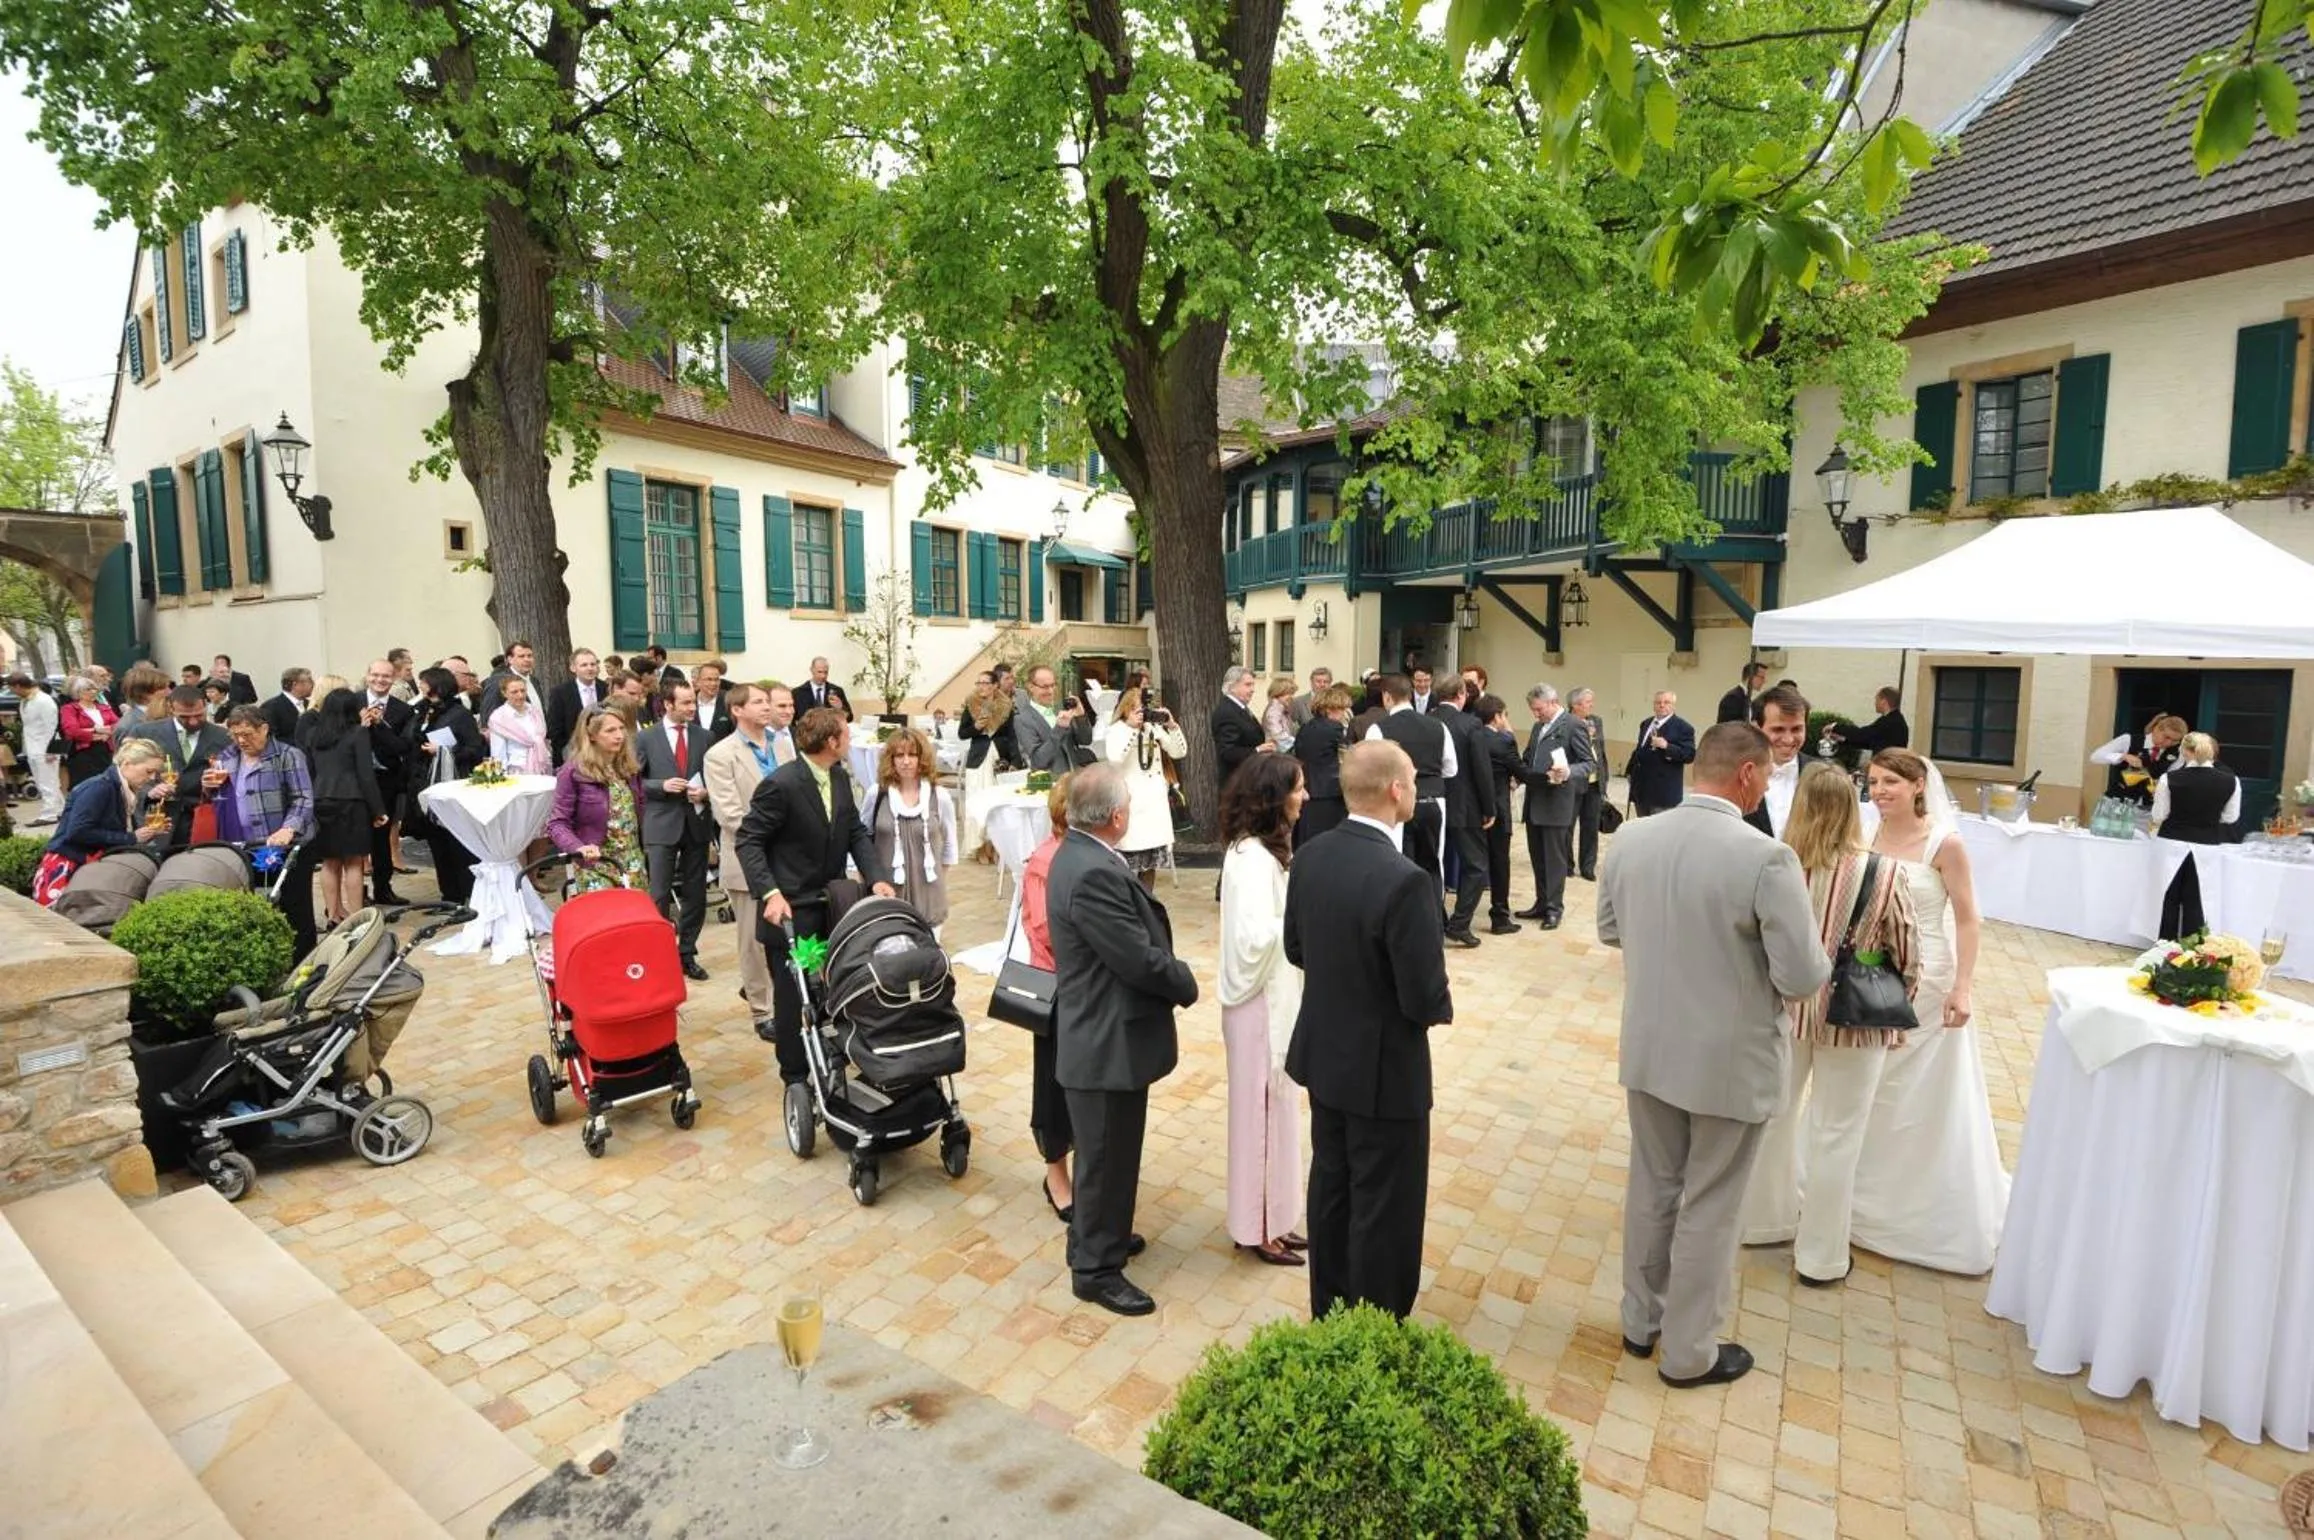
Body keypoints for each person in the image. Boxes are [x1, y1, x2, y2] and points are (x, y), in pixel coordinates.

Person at [1595, 722, 1830, 1388]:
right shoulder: (1765, 858)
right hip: (1729, 1059)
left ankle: (1641, 1322)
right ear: (1750, 775)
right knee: (1711, 1204)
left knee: (1653, 1186)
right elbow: (1803, 976)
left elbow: (1611, 929)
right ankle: (1689, 1351)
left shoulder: (1634, 837)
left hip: (1650, 1043)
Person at [1283, 741, 1453, 1319]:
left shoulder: (1310, 855)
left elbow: (1296, 948)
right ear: (1396, 791)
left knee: (1332, 1186)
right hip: (1385, 1070)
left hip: (1326, 1055)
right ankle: (1376, 1327)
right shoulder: (1405, 880)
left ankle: (1328, 1310)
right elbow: (1423, 996)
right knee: (1387, 1204)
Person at [1739, 764, 1920, 1287]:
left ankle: (1762, 1222)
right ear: (1851, 808)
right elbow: (1906, 950)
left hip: (1785, 1010)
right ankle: (1819, 1258)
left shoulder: (1776, 866)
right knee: (1838, 1135)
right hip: (1857, 1016)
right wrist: (1899, 1003)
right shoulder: (1883, 872)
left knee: (1775, 1118)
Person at [1046, 763, 1198, 1315]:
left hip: (1105, 1033)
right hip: (1104, 1039)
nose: (1130, 812)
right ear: (1115, 817)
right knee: (1106, 1154)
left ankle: (1100, 1233)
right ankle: (1094, 1268)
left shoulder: (1083, 855)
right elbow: (1135, 958)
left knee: (1111, 1151)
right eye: (1128, 805)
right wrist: (1183, 980)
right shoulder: (1091, 872)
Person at [1853, 747, 2003, 1275]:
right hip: (1870, 974)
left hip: (1929, 979)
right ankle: (1856, 1194)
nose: (1880, 791)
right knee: (1868, 1082)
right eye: (1873, 782)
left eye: (1891, 781)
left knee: (1916, 1091)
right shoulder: (1864, 833)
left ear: (1919, 785)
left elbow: (1968, 919)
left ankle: (1916, 1205)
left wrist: (1963, 986)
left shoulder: (1946, 843)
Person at [736, 707, 895, 1086]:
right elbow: (749, 840)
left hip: (832, 904)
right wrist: (771, 893)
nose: (851, 739)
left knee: (833, 986)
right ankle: (794, 1074)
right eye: (846, 733)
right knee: (794, 996)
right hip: (790, 909)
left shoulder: (837, 775)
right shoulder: (782, 785)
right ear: (831, 741)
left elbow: (854, 830)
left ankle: (833, 1053)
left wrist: (876, 879)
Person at [1219, 754, 1310, 1268]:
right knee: (1260, 1117)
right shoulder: (1251, 859)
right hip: (1258, 1005)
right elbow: (1255, 939)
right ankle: (1256, 1227)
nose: (1306, 797)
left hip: (1271, 998)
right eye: (1298, 789)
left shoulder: (1262, 852)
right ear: (1275, 797)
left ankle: (1276, 1216)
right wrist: (1304, 922)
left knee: (1278, 1114)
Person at [703, 684, 782, 1028]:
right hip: (747, 857)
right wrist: (777, 833)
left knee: (787, 933)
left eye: (768, 702)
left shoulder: (783, 746)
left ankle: (788, 998)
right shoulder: (721, 755)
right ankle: (762, 1010)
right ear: (737, 710)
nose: (767, 707)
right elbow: (730, 815)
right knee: (753, 939)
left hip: (788, 857)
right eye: (759, 702)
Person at [215, 705, 321, 953]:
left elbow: (303, 798)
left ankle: (302, 960)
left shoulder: (287, 755)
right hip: (244, 845)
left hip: (284, 844)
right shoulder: (227, 756)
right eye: (235, 734)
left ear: (264, 729)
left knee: (294, 907)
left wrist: (289, 828)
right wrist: (209, 788)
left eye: (248, 734)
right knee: (253, 906)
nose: (241, 740)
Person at [1019, 779, 1077, 1226]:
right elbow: (1043, 931)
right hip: (1057, 991)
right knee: (1054, 1086)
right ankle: (1056, 1176)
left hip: (1083, 989)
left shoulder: (1080, 854)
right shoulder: (1045, 861)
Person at [636, 681, 715, 981]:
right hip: (661, 823)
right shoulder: (646, 738)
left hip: (696, 822)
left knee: (696, 892)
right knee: (658, 893)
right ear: (667, 705)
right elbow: (634, 782)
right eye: (685, 703)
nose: (692, 708)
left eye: (693, 702)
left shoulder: (705, 736)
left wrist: (705, 792)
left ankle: (687, 952)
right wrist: (660, 786)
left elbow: (714, 776)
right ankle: (659, 954)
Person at [33, 739, 172, 904]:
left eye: (155, 773)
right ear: (127, 764)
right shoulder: (99, 788)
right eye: (149, 771)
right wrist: (132, 838)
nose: (152, 777)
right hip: (68, 867)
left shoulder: (118, 787)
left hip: (81, 865)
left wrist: (145, 833)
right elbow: (78, 832)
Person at [297, 688, 389, 927]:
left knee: (329, 862)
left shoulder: (313, 734)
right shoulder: (357, 733)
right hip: (352, 800)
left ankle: (333, 914)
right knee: (353, 861)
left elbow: (310, 771)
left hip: (321, 800)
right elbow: (365, 776)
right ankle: (357, 917)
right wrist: (378, 810)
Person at [1364, 674, 1452, 901]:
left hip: (1394, 802)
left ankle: (1400, 916)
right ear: (1411, 695)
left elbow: (1371, 770)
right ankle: (1434, 918)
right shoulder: (1438, 726)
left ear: (1387, 697)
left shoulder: (1378, 728)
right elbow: (1451, 768)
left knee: (1397, 860)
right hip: (1433, 800)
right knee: (1433, 861)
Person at [862, 728, 959, 931]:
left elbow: (949, 844)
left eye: (912, 755)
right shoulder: (876, 794)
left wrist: (937, 881)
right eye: (899, 755)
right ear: (891, 759)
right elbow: (862, 840)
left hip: (929, 894)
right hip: (887, 895)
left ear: (921, 758)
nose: (906, 761)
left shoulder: (939, 796)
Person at [548, 708, 649, 895]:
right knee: (608, 919)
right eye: (610, 730)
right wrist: (578, 847)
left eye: (621, 729)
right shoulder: (572, 772)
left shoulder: (628, 768)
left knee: (634, 919)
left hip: (632, 861)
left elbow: (641, 808)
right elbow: (557, 823)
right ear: (591, 735)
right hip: (594, 864)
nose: (619, 735)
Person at [411, 666, 487, 904]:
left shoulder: (458, 714)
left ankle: (467, 892)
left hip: (453, 783)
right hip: (428, 784)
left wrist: (444, 750)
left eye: (423, 682)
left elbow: (475, 749)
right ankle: (449, 894)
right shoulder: (423, 711)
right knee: (437, 842)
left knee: (456, 841)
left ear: (436, 684)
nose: (420, 686)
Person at [1516, 683, 1589, 929]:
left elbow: (1588, 763)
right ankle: (1541, 902)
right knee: (1538, 857)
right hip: (1535, 800)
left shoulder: (1573, 725)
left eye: (1539, 709)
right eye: (1533, 710)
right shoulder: (1538, 727)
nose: (1536, 714)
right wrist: (1518, 774)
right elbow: (1528, 756)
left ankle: (1554, 908)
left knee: (1555, 860)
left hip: (1556, 802)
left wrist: (1568, 771)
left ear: (1553, 702)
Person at [120, 684, 232, 844]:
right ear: (170, 708)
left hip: (203, 818)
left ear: (205, 706)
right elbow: (124, 773)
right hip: (158, 820)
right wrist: (148, 790)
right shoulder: (144, 732)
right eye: (185, 717)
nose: (193, 721)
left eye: (199, 715)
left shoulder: (223, 736)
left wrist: (213, 786)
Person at [1100, 687, 1188, 891]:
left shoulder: (1152, 729)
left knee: (1150, 864)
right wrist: (1132, 730)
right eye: (1135, 710)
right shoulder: (1117, 730)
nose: (1141, 714)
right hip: (1132, 804)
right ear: (1125, 711)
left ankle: (1146, 902)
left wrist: (1172, 726)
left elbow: (1179, 752)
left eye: (1142, 710)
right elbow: (1115, 759)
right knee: (1129, 861)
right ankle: (1129, 903)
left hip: (1154, 806)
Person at [1431, 676, 1496, 947]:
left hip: (1430, 802)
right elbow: (1482, 770)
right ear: (1461, 694)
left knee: (1431, 864)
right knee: (1477, 865)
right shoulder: (1471, 724)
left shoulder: (1427, 720)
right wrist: (1489, 807)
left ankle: (1438, 920)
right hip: (1464, 805)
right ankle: (1459, 923)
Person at [358, 660, 418, 905]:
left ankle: (383, 888)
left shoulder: (403, 711)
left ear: (393, 679)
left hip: (385, 780)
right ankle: (355, 891)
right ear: (367, 675)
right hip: (354, 780)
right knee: (354, 836)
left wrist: (379, 725)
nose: (380, 680)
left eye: (385, 676)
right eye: (375, 675)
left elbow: (403, 747)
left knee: (381, 838)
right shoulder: (352, 703)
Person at [1471, 695, 1523, 935]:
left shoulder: (1472, 736)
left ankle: (1464, 914)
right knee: (1500, 863)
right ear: (1497, 716)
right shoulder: (1503, 741)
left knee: (1474, 863)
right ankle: (1500, 916)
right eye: (1505, 715)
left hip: (1473, 808)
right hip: (1498, 809)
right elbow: (1520, 770)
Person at [960, 670, 1017, 858]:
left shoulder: (1006, 706)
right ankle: (979, 847)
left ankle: (994, 845)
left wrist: (1015, 760)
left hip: (998, 758)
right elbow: (963, 733)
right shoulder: (971, 704)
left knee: (996, 803)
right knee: (976, 800)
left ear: (994, 686)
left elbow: (1011, 736)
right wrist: (975, 728)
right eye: (979, 683)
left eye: (985, 683)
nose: (981, 687)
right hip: (978, 758)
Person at [1743, 685, 1811, 839]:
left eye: (1796, 729)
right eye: (1778, 729)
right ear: (1756, 728)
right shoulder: (1738, 775)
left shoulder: (1822, 775)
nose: (1788, 739)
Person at [1291, 686, 1351, 848]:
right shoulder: (1334, 729)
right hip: (1329, 792)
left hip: (1309, 788)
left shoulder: (1306, 727)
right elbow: (1347, 756)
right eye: (1341, 710)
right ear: (1330, 709)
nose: (1344, 714)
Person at [2092, 713, 2188, 810]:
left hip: (2147, 811)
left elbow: (2170, 779)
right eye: (2166, 737)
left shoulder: (2177, 755)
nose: (2168, 743)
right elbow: (2096, 756)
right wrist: (2123, 756)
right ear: (2157, 728)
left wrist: (2161, 786)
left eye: (2175, 740)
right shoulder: (2129, 740)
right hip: (2115, 803)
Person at [1625, 689, 1696, 817]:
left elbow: (1689, 755)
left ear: (1673, 705)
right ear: (1654, 705)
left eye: (1666, 702)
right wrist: (1629, 771)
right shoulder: (1646, 723)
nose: (1662, 705)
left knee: (1659, 833)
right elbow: (1639, 749)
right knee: (1643, 830)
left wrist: (1667, 746)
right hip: (1642, 791)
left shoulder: (1683, 727)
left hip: (1663, 794)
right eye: (1658, 702)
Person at [1015, 665, 1096, 773]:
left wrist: (1080, 716)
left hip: (1074, 778)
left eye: (1053, 685)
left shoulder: (1061, 710)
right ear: (1030, 686)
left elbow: (1085, 740)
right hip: (1050, 782)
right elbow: (1039, 761)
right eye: (1044, 687)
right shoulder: (1022, 719)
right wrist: (1059, 728)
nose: (1050, 691)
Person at [9, 673, 62, 825]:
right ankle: (59, 810)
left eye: (13, 689)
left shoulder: (44, 701)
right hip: (33, 747)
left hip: (45, 748)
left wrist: (52, 750)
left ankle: (49, 814)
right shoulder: (25, 701)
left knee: (47, 782)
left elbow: (52, 726)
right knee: (45, 781)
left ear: (18, 686)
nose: (13, 692)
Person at [1210, 666, 1271, 793]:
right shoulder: (1227, 712)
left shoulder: (1240, 708)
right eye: (1248, 685)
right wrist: (1257, 750)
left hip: (1248, 782)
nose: (1253, 690)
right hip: (1237, 786)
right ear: (1232, 686)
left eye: (1253, 685)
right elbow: (1227, 752)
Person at [1569, 687, 1608, 881]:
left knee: (1591, 826)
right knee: (1567, 825)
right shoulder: (1566, 722)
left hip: (1594, 783)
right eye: (1587, 702)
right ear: (1575, 705)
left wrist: (1604, 780)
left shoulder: (1596, 721)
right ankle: (1567, 865)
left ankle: (1588, 866)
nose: (1591, 705)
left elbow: (1601, 752)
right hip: (1574, 781)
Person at [545, 648, 605, 768]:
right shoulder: (560, 692)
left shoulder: (606, 689)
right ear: (573, 668)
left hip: (603, 753)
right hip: (572, 755)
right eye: (584, 665)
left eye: (593, 664)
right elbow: (555, 728)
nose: (590, 668)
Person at [57, 676, 119, 789]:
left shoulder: (104, 707)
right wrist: (96, 731)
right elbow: (71, 731)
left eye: (94, 689)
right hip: (83, 753)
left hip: (106, 750)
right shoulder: (69, 709)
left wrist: (104, 733)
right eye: (88, 689)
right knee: (87, 786)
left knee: (106, 784)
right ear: (78, 692)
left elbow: (118, 725)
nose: (93, 692)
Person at [486, 675, 552, 774]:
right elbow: (498, 753)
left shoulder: (534, 711)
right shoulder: (498, 718)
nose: (520, 695)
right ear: (504, 693)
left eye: (523, 690)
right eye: (514, 692)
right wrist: (501, 778)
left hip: (542, 766)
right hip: (517, 771)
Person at [1830, 688, 1909, 757]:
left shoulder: (1891, 722)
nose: (1875, 703)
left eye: (1876, 700)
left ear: (1883, 701)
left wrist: (1835, 727)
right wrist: (1843, 739)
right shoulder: (1892, 719)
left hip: (1888, 768)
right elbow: (1870, 741)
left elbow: (1862, 734)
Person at [477, 640, 537, 722]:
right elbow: (488, 717)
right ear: (510, 660)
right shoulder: (498, 682)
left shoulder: (534, 681)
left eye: (529, 656)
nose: (527, 660)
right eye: (521, 656)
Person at [260, 668, 314, 747]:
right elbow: (272, 738)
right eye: (309, 681)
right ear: (295, 684)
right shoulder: (271, 707)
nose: (313, 685)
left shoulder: (310, 704)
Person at [691, 660, 733, 745]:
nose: (713, 683)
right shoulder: (689, 701)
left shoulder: (729, 701)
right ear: (698, 681)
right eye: (709, 679)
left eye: (716, 679)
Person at [1719, 661, 1769, 725]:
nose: (1764, 681)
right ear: (1750, 677)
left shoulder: (1748, 698)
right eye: (1762, 677)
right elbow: (1729, 726)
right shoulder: (1732, 698)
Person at [1260, 675, 1297, 750]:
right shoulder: (1274, 710)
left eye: (1292, 693)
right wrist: (1297, 743)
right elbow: (1278, 734)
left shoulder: (1281, 708)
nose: (1291, 697)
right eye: (1289, 693)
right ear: (1278, 693)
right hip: (1276, 754)